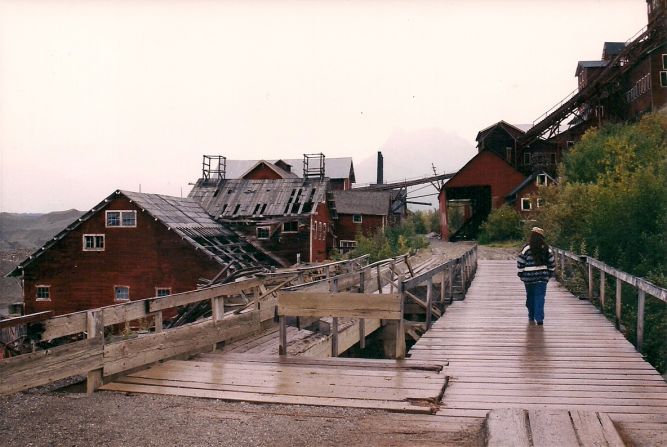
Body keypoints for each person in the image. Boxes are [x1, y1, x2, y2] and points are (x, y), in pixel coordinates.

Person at [517, 227, 555, 325]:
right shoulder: (547, 249)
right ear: (542, 237)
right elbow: (552, 263)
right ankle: (539, 319)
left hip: (528, 277)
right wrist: (550, 273)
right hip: (542, 277)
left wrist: (520, 273)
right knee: (540, 297)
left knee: (530, 296)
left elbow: (520, 262)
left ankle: (531, 315)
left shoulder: (526, 248)